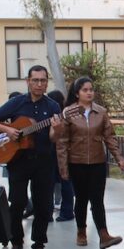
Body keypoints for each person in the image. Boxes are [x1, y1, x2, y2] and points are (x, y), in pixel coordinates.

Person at [0, 65, 62, 249]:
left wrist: (57, 128)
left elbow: (54, 138)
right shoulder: (16, 103)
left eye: (43, 80)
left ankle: (39, 245)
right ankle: (16, 243)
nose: (39, 84)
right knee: (17, 203)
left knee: (43, 205)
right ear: (28, 81)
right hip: (18, 161)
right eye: (35, 80)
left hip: (44, 161)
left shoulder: (53, 106)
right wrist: (8, 130)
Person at [53, 76, 124, 249]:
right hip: (77, 162)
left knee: (97, 199)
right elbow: (62, 142)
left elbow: (110, 137)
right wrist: (63, 168)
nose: (89, 93)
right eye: (85, 90)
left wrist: (119, 158)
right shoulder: (69, 113)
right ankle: (81, 231)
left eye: (91, 90)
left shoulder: (101, 112)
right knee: (81, 199)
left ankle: (104, 234)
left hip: (97, 162)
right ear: (77, 93)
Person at [47, 89, 75, 222]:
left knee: (49, 184)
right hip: (65, 153)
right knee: (66, 182)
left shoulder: (51, 117)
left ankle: (47, 212)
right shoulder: (67, 116)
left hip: (51, 153)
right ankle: (67, 211)